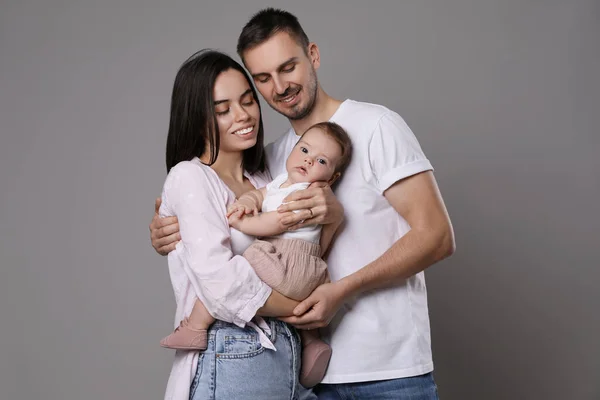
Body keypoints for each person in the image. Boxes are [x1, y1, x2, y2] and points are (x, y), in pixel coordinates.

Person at [151, 8, 456, 400]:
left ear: (313, 54)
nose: (279, 86)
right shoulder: (272, 163)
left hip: (388, 369)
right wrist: (165, 226)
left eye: (288, 66)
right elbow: (210, 225)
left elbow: (437, 236)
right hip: (303, 377)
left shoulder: (376, 126)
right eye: (262, 78)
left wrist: (341, 290)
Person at [158, 48, 319, 400]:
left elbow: (301, 249)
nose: (243, 115)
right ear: (197, 119)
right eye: (223, 110)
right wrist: (304, 307)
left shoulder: (267, 178)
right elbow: (221, 284)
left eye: (247, 101)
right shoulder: (190, 178)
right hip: (236, 351)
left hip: (286, 355)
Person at [160, 121, 353, 388]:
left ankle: (195, 326)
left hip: (288, 261)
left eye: (320, 160)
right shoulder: (279, 182)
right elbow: (260, 195)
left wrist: (241, 222)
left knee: (240, 268)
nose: (308, 161)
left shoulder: (307, 194)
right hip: (308, 272)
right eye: (304, 150)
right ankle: (312, 343)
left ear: (331, 177)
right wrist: (248, 202)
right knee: (240, 274)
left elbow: (276, 223)